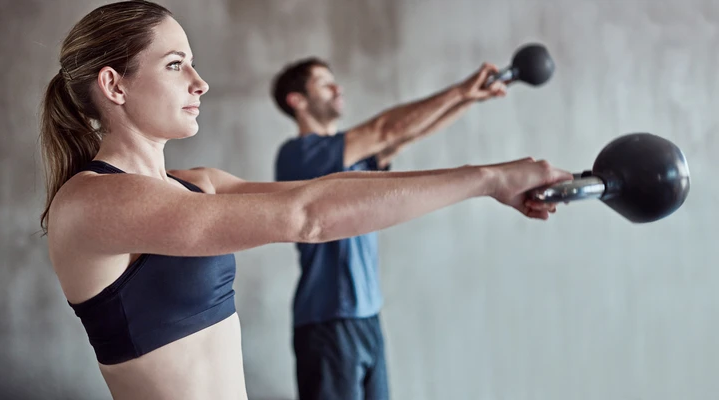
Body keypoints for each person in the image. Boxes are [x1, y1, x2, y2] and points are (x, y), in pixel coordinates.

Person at [39, 1, 570, 399]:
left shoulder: (198, 182)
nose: (200, 83)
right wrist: (488, 179)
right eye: (176, 64)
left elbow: (334, 189)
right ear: (114, 85)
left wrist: (487, 172)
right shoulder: (91, 203)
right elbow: (308, 216)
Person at [270, 58, 512, 399]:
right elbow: (387, 130)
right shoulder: (299, 155)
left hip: (367, 317)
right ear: (297, 101)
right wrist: (458, 89)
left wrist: (469, 98)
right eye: (325, 83)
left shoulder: (352, 159)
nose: (338, 88)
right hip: (328, 321)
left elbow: (407, 134)